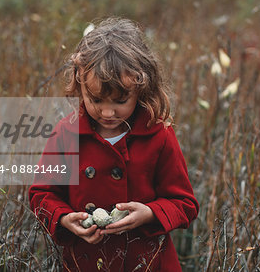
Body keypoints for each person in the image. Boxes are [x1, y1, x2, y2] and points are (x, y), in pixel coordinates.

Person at [29, 17, 199, 271]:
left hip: (147, 262)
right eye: (96, 100)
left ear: (142, 88)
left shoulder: (158, 135)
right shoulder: (67, 133)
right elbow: (41, 194)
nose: (108, 113)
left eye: (120, 101)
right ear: (80, 85)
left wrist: (150, 213)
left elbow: (185, 204)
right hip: (85, 260)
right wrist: (65, 218)